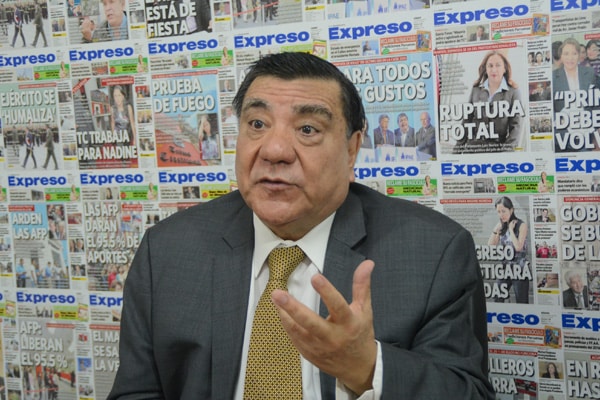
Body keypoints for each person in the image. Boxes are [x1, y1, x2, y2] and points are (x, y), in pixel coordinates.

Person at [109, 52, 494, 399]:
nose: (274, 150)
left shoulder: (434, 253)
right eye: (257, 123)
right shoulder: (167, 251)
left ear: (352, 149)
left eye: (307, 129)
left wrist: (367, 369)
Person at [454, 51, 523, 154]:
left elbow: (515, 129)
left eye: (498, 65)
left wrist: (505, 155)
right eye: (490, 66)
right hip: (473, 150)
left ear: (504, 69)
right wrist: (456, 153)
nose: (494, 69)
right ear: (485, 69)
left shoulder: (513, 92)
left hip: (497, 152)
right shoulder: (476, 90)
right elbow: (466, 122)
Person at [552, 38, 600, 152]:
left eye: (574, 53)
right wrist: (559, 120)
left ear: (579, 55)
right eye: (566, 54)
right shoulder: (553, 77)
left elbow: (596, 102)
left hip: (587, 133)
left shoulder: (589, 73)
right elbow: (548, 107)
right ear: (561, 56)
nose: (570, 58)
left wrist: (596, 126)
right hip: (563, 135)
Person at [488, 196, 529, 303]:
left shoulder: (521, 225)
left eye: (503, 211)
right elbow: (491, 246)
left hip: (519, 268)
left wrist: (510, 230)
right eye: (498, 212)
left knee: (522, 301)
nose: (501, 215)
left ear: (511, 210)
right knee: (497, 297)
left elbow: (518, 247)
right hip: (505, 268)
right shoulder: (501, 225)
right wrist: (495, 231)